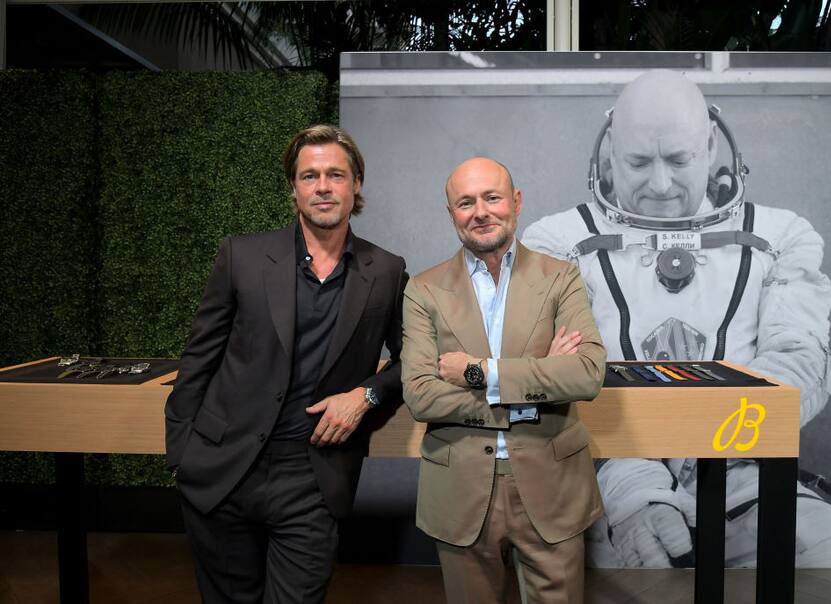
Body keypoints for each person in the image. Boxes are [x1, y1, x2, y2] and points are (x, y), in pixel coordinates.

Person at [522, 70, 831, 568]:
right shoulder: (556, 242)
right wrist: (632, 483)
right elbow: (556, 378)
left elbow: (798, 363)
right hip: (609, 471)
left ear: (710, 146)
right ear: (609, 154)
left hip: (741, 466)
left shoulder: (780, 237)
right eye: (638, 162)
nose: (660, 183)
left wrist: (704, 443)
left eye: (679, 159)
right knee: (648, 572)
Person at [164, 124, 408, 602]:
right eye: (309, 175)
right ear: (294, 188)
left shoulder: (386, 270)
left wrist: (365, 395)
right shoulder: (242, 256)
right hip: (224, 468)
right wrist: (182, 456)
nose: (323, 186)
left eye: (336, 174)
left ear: (356, 184)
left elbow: (413, 358)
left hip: (314, 475)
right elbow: (198, 359)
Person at [401, 157, 607, 603]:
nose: (480, 212)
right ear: (451, 213)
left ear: (516, 202)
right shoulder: (423, 289)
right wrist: (533, 392)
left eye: (492, 198)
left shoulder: (561, 277)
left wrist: (479, 373)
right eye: (465, 203)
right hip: (459, 491)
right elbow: (420, 396)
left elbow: (587, 373)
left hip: (553, 487)